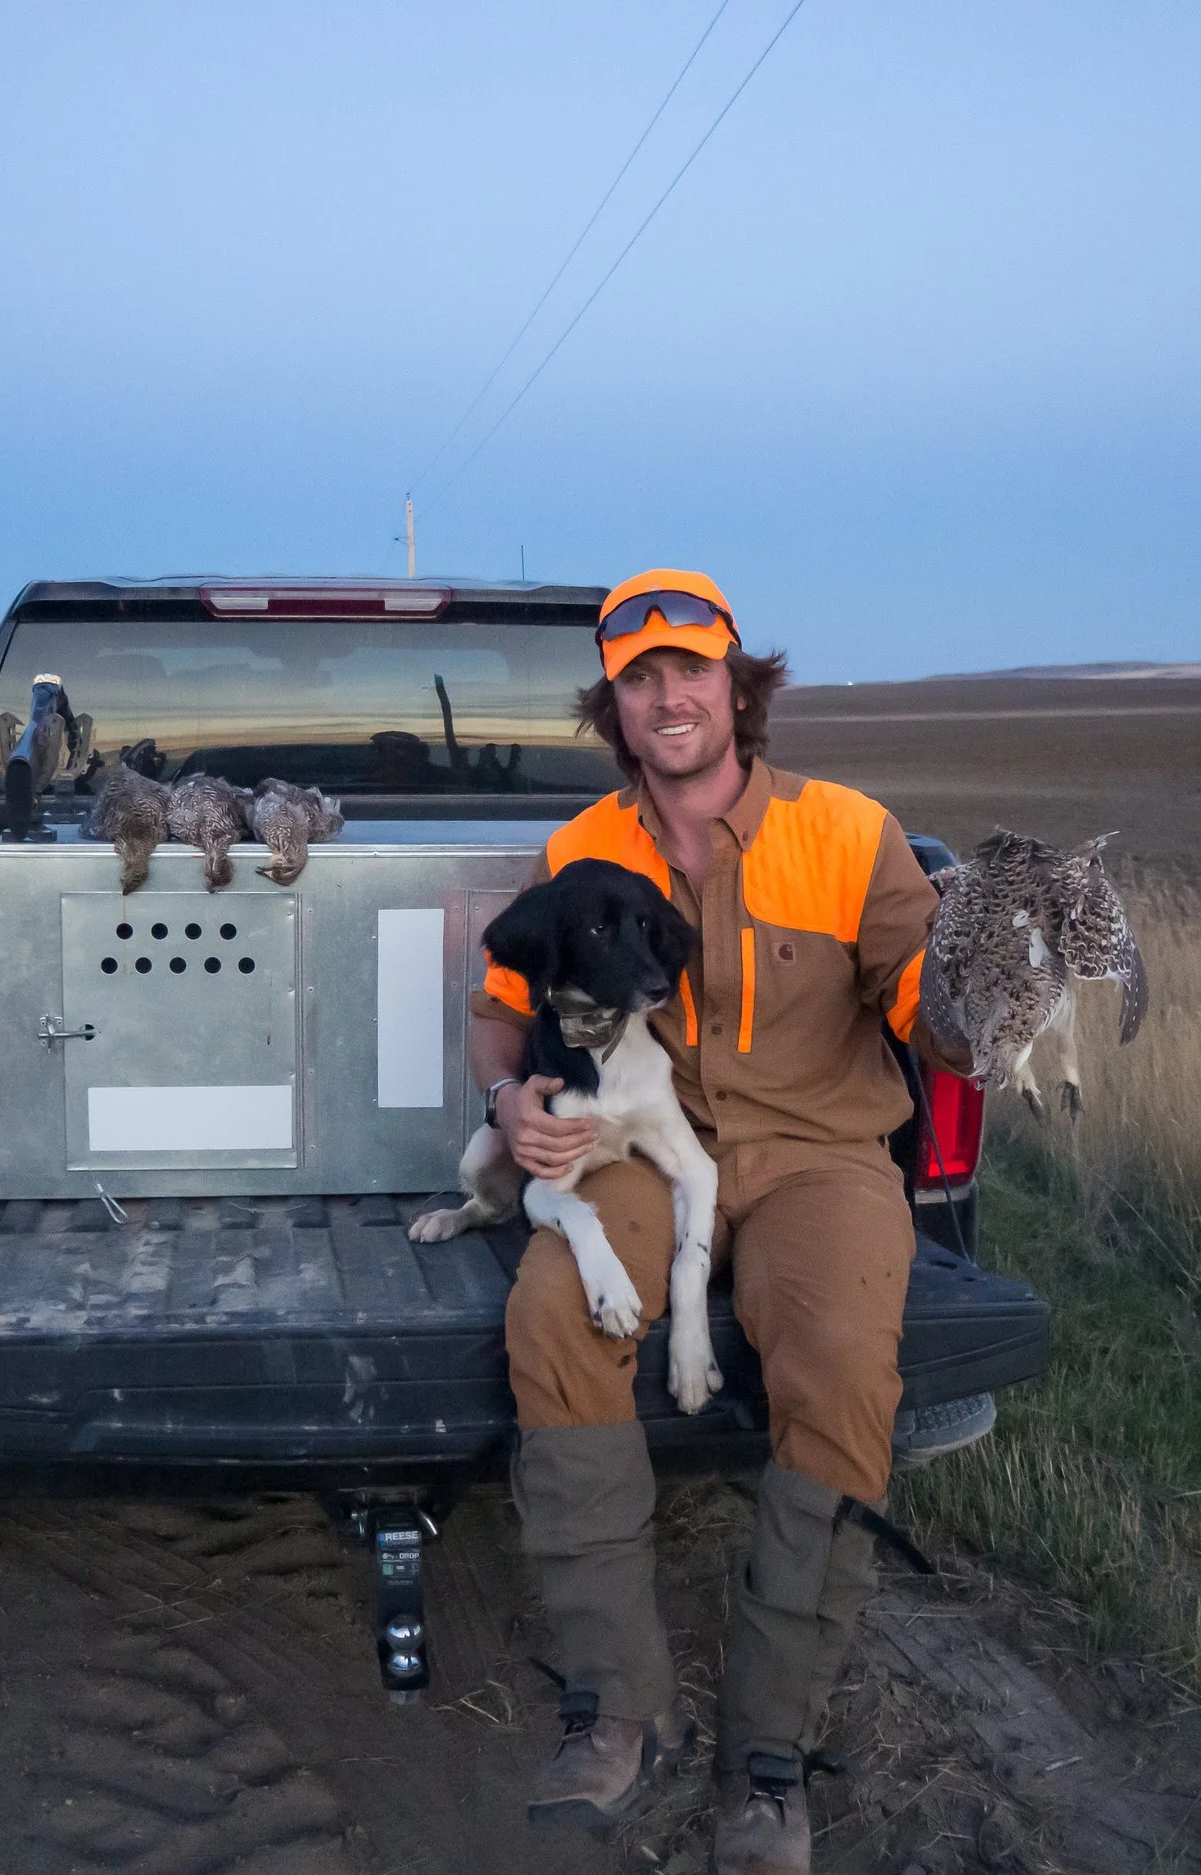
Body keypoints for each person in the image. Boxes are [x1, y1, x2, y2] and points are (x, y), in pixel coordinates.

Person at [465, 569, 973, 1875]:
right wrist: (510, 1101)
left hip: (819, 1158)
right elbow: (500, 1011)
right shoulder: (581, 849)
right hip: (645, 1144)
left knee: (843, 1364)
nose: (669, 696)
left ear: (738, 688)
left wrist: (990, 1002)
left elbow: (933, 1006)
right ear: (615, 709)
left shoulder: (849, 831)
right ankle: (621, 1705)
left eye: (691, 669)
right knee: (554, 1315)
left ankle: (767, 1756)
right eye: (639, 679)